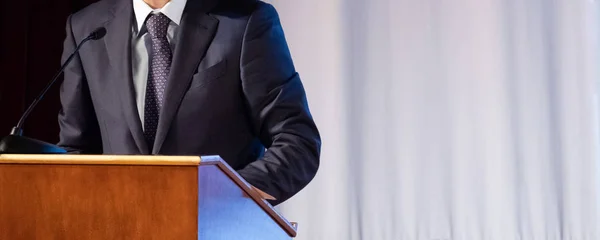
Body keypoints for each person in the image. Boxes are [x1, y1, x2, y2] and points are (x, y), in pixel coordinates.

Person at [57, 0, 321, 205]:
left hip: (216, 227)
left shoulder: (245, 21)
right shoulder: (86, 28)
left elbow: (297, 140)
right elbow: (75, 151)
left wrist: (229, 195)